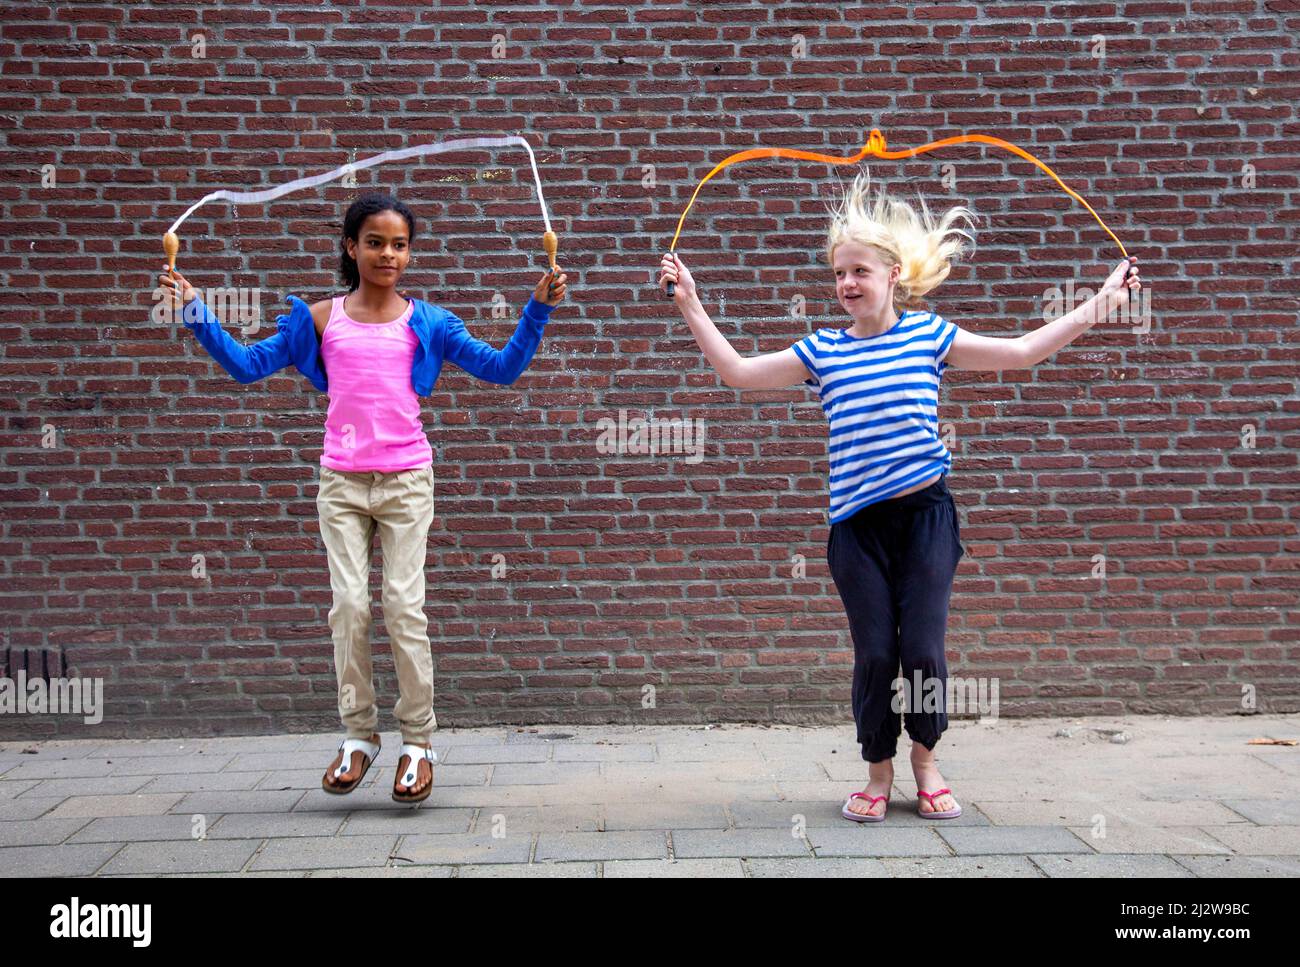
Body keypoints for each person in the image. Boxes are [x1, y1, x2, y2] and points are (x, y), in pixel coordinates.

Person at [658, 168, 1140, 823]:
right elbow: (739, 372)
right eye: (838, 274)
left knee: (922, 650)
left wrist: (1103, 302)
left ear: (892, 275)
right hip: (856, 528)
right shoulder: (822, 350)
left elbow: (1023, 352)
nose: (846, 284)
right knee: (877, 651)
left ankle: (926, 761)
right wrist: (690, 301)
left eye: (859, 270)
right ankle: (877, 772)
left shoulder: (929, 336)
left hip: (925, 519)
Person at [159, 190, 568, 804]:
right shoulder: (320, 319)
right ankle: (359, 736)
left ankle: (419, 744)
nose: (388, 254)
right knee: (348, 608)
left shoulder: (428, 322)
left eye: (400, 244)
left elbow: (503, 368)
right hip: (342, 484)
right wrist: (194, 309)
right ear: (351, 247)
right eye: (375, 242)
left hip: (406, 482)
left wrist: (536, 309)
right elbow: (246, 366)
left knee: (404, 608)